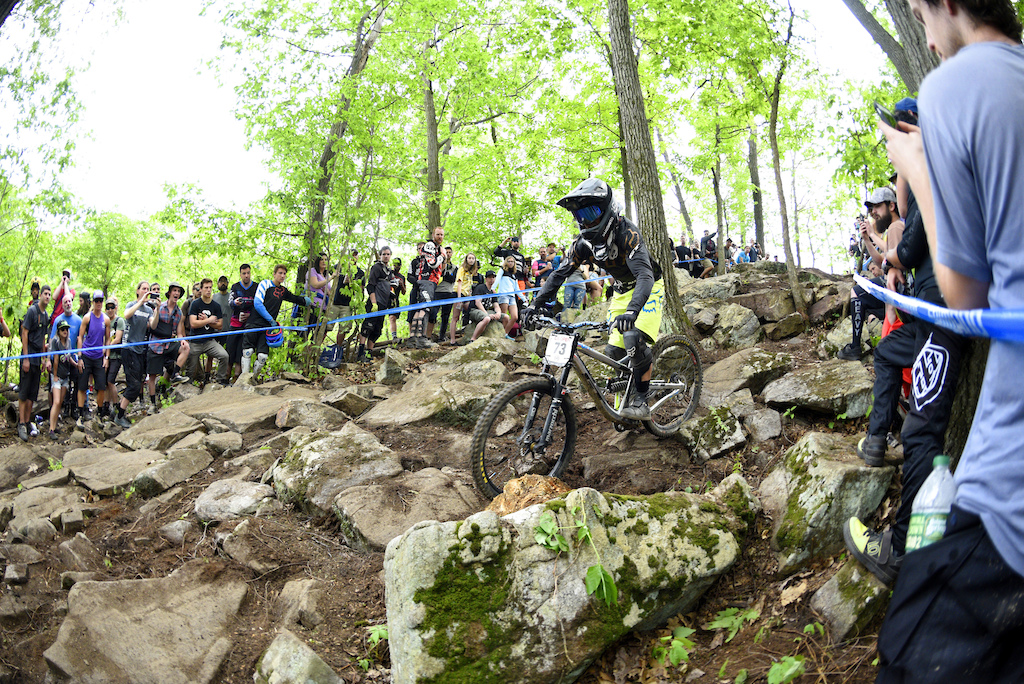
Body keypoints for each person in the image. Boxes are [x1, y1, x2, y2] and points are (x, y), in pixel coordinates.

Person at [870, 2, 1024, 680]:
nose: (926, 38)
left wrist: (914, 161)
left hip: (1009, 474)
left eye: (919, 14)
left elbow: (965, 285)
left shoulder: (959, 83)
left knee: (909, 657)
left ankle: (905, 546)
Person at [523, 178, 664, 420]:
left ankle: (642, 397)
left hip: (648, 286)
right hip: (621, 290)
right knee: (614, 351)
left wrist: (632, 311)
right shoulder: (582, 244)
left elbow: (644, 274)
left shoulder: (627, 234)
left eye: (591, 212)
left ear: (609, 209)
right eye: (579, 216)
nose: (585, 221)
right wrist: (534, 305)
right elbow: (559, 274)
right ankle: (629, 392)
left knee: (633, 338)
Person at [242, 265, 310, 376]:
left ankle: (253, 378)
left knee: (262, 357)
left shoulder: (283, 290)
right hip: (254, 323)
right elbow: (258, 304)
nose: (282, 276)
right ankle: (243, 379)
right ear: (274, 274)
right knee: (247, 351)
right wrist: (271, 319)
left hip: (267, 328)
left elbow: (293, 298)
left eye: (284, 274)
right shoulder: (265, 284)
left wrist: (304, 300)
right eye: (280, 273)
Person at [114, 281, 153, 429]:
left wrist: (155, 311)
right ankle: (119, 415)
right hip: (128, 349)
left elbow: (153, 325)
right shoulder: (131, 304)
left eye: (148, 289)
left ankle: (118, 410)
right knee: (134, 385)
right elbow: (126, 315)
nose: (146, 291)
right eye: (143, 289)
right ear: (137, 291)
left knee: (138, 382)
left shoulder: (148, 310)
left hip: (140, 350)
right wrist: (141, 302)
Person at [146, 283, 190, 413]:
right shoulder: (160, 307)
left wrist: (182, 340)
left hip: (169, 344)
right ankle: (153, 404)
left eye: (178, 292)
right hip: (155, 344)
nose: (176, 293)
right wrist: (158, 310)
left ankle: (175, 374)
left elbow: (179, 331)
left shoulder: (179, 312)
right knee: (152, 376)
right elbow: (153, 326)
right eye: (174, 291)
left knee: (186, 348)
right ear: (169, 293)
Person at [17, 284, 51, 441]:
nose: (47, 296)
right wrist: (25, 358)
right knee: (24, 392)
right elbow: (25, 332)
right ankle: (21, 423)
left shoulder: (46, 316)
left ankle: (29, 420)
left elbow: (44, 339)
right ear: (41, 295)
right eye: (45, 293)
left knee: (32, 394)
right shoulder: (32, 311)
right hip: (29, 353)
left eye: (49, 294)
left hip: (38, 356)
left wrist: (44, 359)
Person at [185, 278, 230, 385]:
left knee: (224, 356)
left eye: (210, 287)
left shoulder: (216, 305)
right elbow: (193, 323)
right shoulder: (195, 304)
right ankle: (188, 385)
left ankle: (220, 381)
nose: (208, 290)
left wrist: (207, 322)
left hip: (209, 341)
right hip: (195, 341)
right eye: (206, 288)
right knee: (190, 369)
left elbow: (219, 325)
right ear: (201, 289)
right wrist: (209, 320)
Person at [409, 226, 444, 348]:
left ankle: (414, 338)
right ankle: (421, 338)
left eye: (442, 235)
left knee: (421, 308)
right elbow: (433, 263)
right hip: (426, 281)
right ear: (434, 234)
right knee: (425, 308)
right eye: (438, 234)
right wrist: (442, 257)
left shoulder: (437, 248)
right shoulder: (430, 245)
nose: (440, 237)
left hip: (431, 282)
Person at [356, 247, 393, 362]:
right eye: (383, 254)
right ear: (380, 255)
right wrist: (373, 302)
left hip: (384, 304)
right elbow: (370, 285)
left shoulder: (389, 270)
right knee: (368, 327)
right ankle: (360, 353)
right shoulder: (376, 267)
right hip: (374, 303)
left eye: (388, 254)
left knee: (377, 330)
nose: (386, 256)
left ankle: (369, 353)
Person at [51, 296, 83, 419]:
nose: (67, 303)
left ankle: (74, 407)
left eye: (69, 301)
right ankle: (64, 408)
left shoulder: (78, 319)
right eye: (65, 302)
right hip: (60, 359)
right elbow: (52, 339)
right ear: (62, 305)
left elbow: (81, 337)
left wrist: (79, 359)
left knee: (76, 381)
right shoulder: (58, 319)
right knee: (62, 383)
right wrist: (48, 359)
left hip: (73, 355)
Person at [323, 251, 363, 346]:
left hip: (347, 305)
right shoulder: (339, 266)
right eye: (352, 254)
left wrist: (352, 283)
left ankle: (338, 349)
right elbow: (324, 273)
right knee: (325, 327)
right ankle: (314, 350)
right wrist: (328, 292)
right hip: (334, 302)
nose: (353, 257)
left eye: (355, 255)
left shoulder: (360, 272)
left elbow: (361, 289)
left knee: (343, 329)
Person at [227, 264, 256, 380]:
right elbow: (230, 302)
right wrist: (235, 303)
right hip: (235, 323)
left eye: (248, 273)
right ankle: (224, 378)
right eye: (244, 273)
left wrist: (250, 315)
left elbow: (260, 305)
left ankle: (237, 378)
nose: (246, 275)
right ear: (240, 274)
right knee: (230, 351)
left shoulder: (256, 287)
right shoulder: (235, 287)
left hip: (249, 324)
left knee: (241, 352)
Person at [464, 270, 507, 343]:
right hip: (474, 310)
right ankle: (473, 339)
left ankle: (502, 335)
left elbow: (496, 305)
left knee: (506, 317)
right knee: (487, 318)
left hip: (486, 311)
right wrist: (487, 314)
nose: (492, 279)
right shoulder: (480, 287)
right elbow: (478, 303)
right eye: (490, 277)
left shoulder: (492, 292)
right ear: (486, 279)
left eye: (493, 277)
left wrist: (498, 313)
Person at [48, 319, 73, 440]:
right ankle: (51, 429)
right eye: (63, 329)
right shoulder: (55, 342)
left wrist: (76, 364)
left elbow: (69, 357)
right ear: (58, 331)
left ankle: (54, 425)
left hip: (65, 376)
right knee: (56, 402)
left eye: (66, 329)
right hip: (57, 375)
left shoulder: (68, 341)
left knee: (60, 402)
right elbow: (56, 360)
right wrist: (56, 375)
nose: (65, 331)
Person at [449, 253, 480, 344]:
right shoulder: (461, 269)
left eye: (473, 258)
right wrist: (459, 298)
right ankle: (452, 340)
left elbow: (469, 286)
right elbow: (459, 283)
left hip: (467, 296)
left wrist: (470, 295)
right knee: (455, 317)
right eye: (469, 258)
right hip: (458, 294)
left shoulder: (471, 272)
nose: (471, 260)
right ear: (466, 259)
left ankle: (470, 334)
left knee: (471, 310)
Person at [103, 296, 125, 419]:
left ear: (115, 308)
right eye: (108, 308)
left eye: (112, 307)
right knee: (106, 382)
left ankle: (116, 405)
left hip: (116, 356)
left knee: (111, 381)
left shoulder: (119, 321)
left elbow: (117, 339)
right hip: (106, 356)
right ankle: (106, 405)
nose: (110, 310)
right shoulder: (105, 321)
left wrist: (106, 347)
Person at [435, 246, 458, 342]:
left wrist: (446, 276)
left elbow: (453, 279)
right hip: (437, 292)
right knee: (433, 314)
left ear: (452, 254)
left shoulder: (455, 267)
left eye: (449, 252)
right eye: (446, 252)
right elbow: (437, 275)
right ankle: (427, 335)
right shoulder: (438, 264)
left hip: (449, 292)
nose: (448, 254)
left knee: (446, 316)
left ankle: (442, 336)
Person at [496, 255, 520, 336]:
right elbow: (497, 279)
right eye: (509, 261)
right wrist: (492, 289)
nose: (510, 263)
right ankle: (500, 334)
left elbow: (517, 288)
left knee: (515, 317)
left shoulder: (514, 275)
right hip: (503, 295)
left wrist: (524, 299)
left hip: (512, 297)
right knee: (504, 317)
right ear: (506, 262)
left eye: (512, 261)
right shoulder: (502, 270)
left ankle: (505, 334)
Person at [387, 257, 406, 341]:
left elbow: (404, 292)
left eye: (398, 265)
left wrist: (401, 284)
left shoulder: (402, 277)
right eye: (394, 264)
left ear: (400, 265)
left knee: (392, 317)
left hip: (394, 299)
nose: (396, 266)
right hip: (384, 297)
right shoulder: (388, 272)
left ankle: (394, 336)